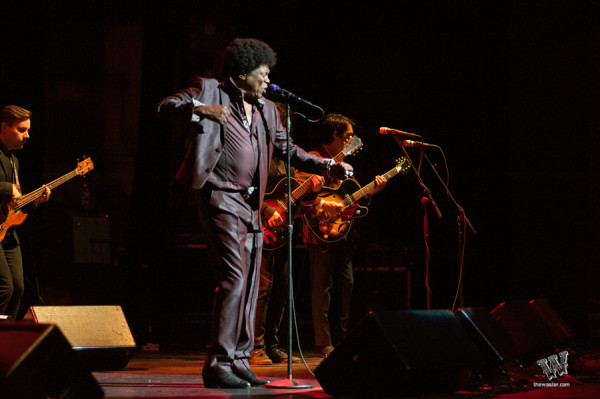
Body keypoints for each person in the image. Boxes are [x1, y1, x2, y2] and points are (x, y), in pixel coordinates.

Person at [157, 38, 352, 389]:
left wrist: (326, 166)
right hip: (219, 195)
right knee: (234, 277)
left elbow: (287, 149)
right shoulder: (211, 90)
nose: (267, 80)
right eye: (262, 74)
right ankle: (218, 361)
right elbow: (166, 106)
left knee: (249, 284)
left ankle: (240, 358)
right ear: (242, 72)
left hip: (253, 203)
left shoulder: (268, 109)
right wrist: (201, 109)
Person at [296, 114, 386, 358]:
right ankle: (322, 342)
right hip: (319, 232)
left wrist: (371, 192)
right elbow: (303, 192)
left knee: (346, 285)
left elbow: (349, 198)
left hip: (342, 232)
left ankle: (342, 339)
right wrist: (324, 202)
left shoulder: (343, 165)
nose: (350, 140)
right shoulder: (312, 159)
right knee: (321, 288)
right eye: (347, 136)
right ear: (334, 136)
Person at [251, 156, 322, 365]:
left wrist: (312, 194)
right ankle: (256, 347)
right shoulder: (258, 153)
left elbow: (295, 207)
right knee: (263, 289)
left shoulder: (286, 162)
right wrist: (266, 210)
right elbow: (245, 188)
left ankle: (272, 346)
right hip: (259, 227)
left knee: (282, 289)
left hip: (283, 233)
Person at [0, 105, 50, 320]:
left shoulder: (14, 160)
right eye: (21, 129)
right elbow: (5, 192)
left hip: (8, 232)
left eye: (27, 130)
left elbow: (13, 203)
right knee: (5, 288)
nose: (27, 135)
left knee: (19, 289)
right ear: (4, 127)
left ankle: (6, 339)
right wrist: (5, 187)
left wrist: (33, 201)